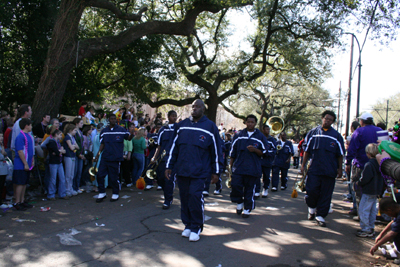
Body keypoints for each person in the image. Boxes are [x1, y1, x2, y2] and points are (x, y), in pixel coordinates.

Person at [165, 99, 223, 242]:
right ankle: (188, 225)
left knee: (195, 197)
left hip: (200, 171)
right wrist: (169, 166)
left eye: (197, 107)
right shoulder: (182, 125)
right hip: (182, 169)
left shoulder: (210, 127)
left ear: (203, 109)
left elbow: (216, 151)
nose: (194, 109)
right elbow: (174, 148)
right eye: (193, 107)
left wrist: (216, 172)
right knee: (184, 198)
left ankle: (196, 226)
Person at [301, 110, 345, 227]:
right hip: (314, 169)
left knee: (326, 194)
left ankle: (320, 216)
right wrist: (302, 165)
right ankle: (311, 209)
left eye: (330, 120)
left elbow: (340, 154)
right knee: (311, 192)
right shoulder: (313, 133)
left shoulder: (336, 136)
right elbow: (306, 151)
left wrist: (340, 169)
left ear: (333, 122)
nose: (327, 121)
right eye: (326, 118)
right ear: (322, 118)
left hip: (329, 170)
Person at [229, 114, 269, 218]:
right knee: (235, 186)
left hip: (253, 168)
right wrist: (230, 167)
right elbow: (232, 152)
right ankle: (239, 202)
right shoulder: (239, 135)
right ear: (245, 122)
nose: (250, 124)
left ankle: (247, 208)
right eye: (248, 122)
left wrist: (255, 150)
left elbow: (265, 152)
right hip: (239, 167)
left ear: (255, 123)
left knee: (249, 189)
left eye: (252, 122)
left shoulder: (260, 136)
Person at [346, 113, 381, 218]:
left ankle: (360, 213)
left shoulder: (359, 131)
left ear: (362, 121)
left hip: (360, 165)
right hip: (379, 166)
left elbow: (352, 148)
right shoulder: (380, 131)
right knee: (374, 193)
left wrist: (348, 162)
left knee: (358, 188)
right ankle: (371, 216)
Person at [94, 114, 134, 203]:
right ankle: (102, 193)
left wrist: (132, 133)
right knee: (100, 175)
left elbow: (128, 138)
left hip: (115, 158)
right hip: (105, 157)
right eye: (111, 119)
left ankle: (115, 193)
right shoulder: (104, 131)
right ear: (108, 120)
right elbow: (102, 144)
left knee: (114, 177)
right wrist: (97, 155)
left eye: (114, 119)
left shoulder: (121, 130)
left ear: (116, 120)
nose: (113, 120)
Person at [355, 143, 384, 237]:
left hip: (368, 190)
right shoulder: (380, 164)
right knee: (372, 210)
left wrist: (359, 182)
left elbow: (365, 178)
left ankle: (366, 229)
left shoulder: (369, 165)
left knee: (363, 210)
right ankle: (371, 227)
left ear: (368, 153)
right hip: (376, 190)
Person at [151, 111, 177, 209]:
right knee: (161, 179)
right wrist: (154, 157)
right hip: (162, 158)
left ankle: (168, 200)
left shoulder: (178, 129)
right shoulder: (163, 130)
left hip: (173, 159)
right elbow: (159, 145)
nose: (174, 118)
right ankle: (166, 192)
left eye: (175, 116)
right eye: (172, 116)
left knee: (168, 180)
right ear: (168, 117)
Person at [13, 118, 34, 211]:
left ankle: (22, 200)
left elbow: (30, 149)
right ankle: (17, 202)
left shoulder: (28, 136)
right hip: (20, 164)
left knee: (24, 183)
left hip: (28, 163)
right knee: (20, 183)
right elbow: (20, 151)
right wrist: (25, 163)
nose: (31, 127)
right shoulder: (20, 137)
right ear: (26, 125)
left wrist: (32, 160)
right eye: (30, 125)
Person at [46, 129, 68, 200]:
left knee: (62, 178)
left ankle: (62, 193)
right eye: (60, 134)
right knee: (53, 179)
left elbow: (60, 151)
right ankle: (51, 194)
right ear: (56, 135)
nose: (61, 136)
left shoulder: (58, 142)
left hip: (59, 162)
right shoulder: (51, 142)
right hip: (53, 163)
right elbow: (57, 152)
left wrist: (59, 151)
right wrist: (59, 151)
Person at [258, 125, 277, 198]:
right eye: (266, 129)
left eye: (269, 129)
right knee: (257, 175)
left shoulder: (272, 140)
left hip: (267, 161)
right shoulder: (259, 137)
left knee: (266, 176)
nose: (268, 131)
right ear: (263, 130)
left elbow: (274, 150)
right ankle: (257, 190)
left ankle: (265, 188)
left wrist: (266, 153)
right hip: (259, 161)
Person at [63, 123, 79, 197]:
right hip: (68, 156)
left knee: (72, 174)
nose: (75, 132)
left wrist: (74, 146)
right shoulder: (67, 137)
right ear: (70, 130)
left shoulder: (72, 138)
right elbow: (72, 147)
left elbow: (77, 147)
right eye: (74, 130)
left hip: (73, 156)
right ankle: (67, 189)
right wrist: (73, 146)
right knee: (68, 174)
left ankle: (71, 188)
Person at [72, 118, 85, 194]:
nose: (82, 124)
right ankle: (74, 187)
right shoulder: (75, 133)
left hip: (81, 153)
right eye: (81, 123)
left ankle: (77, 187)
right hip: (77, 154)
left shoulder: (80, 132)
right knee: (75, 171)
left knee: (79, 171)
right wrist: (78, 153)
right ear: (76, 123)